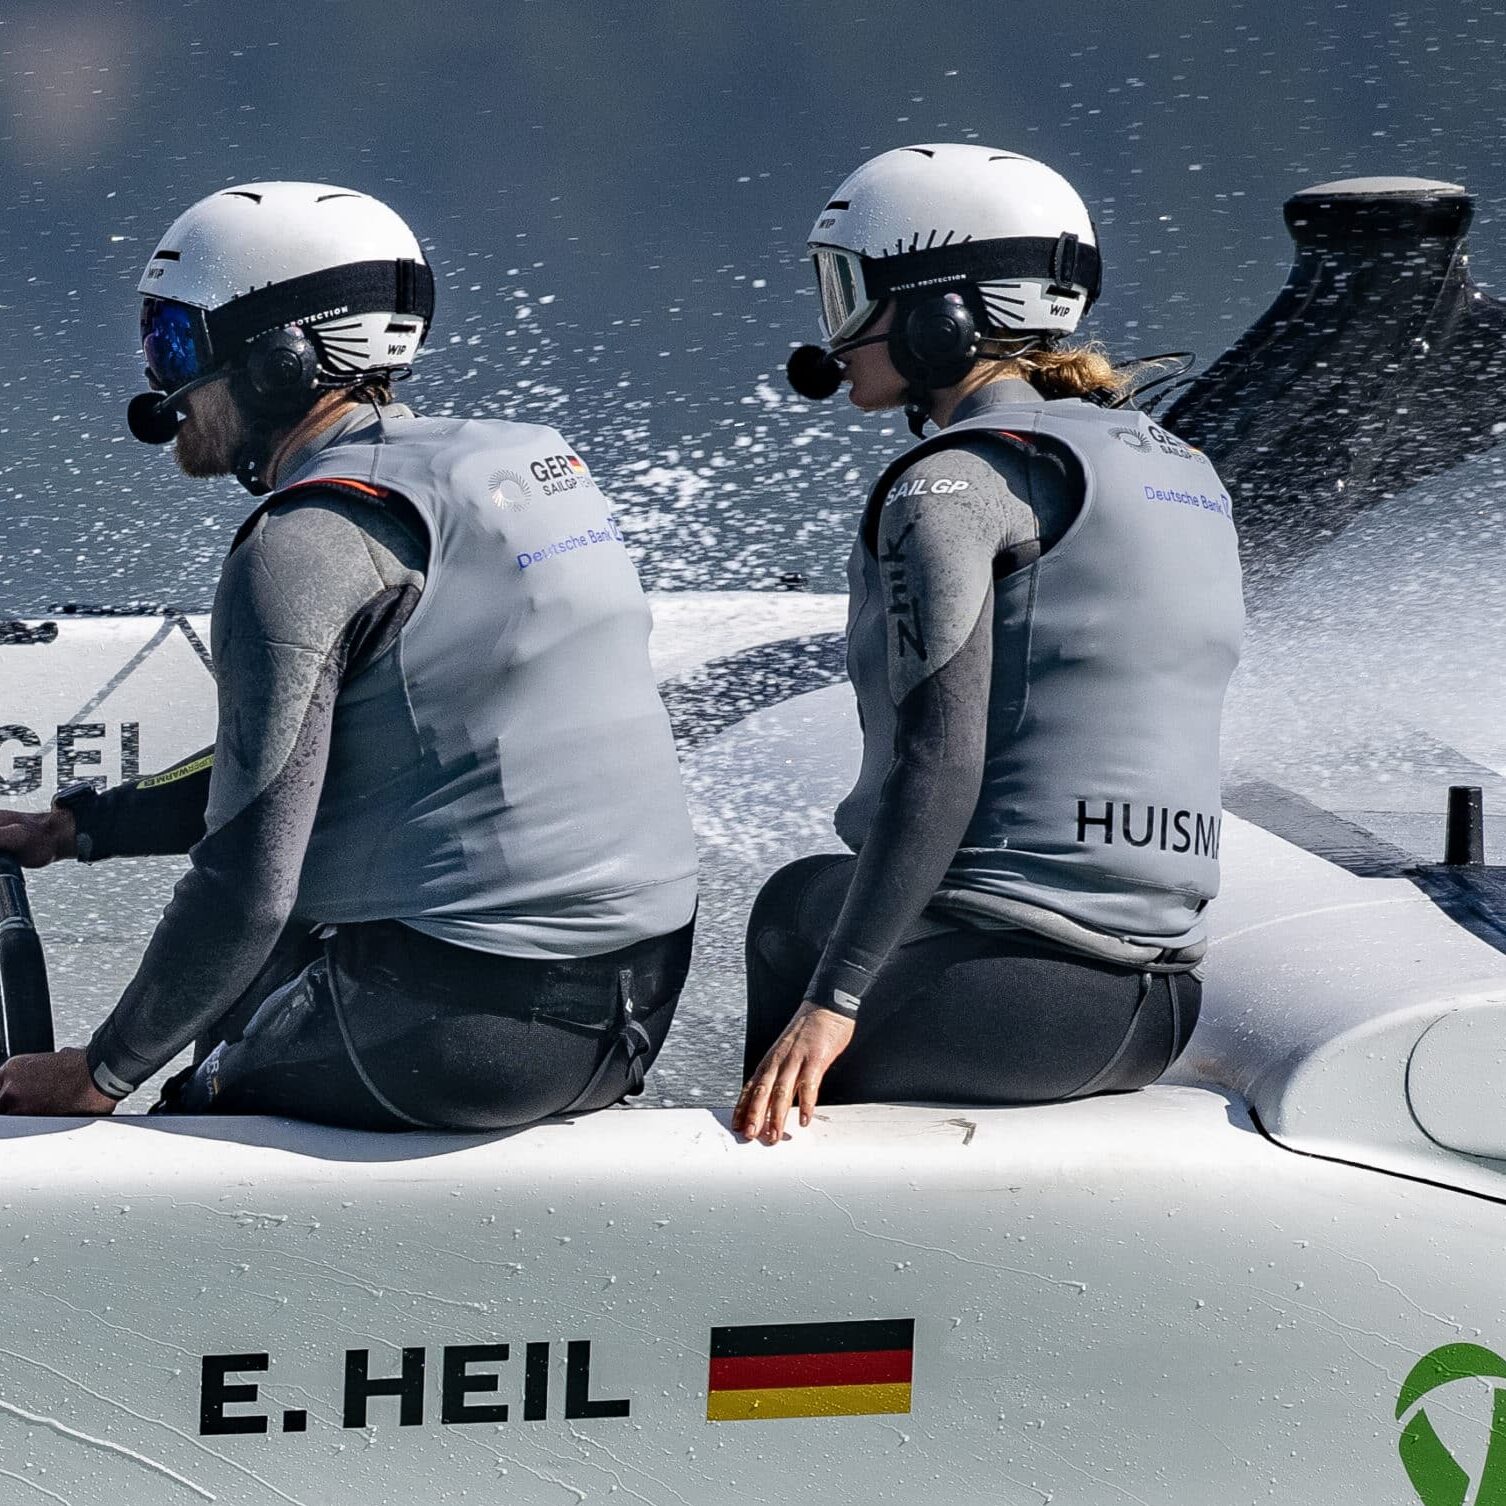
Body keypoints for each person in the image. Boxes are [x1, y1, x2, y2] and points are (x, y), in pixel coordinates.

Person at [0, 182, 698, 1130]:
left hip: (466, 1041)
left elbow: (245, 879)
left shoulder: (302, 541)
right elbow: (313, 768)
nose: (163, 387)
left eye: (174, 344)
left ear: (280, 360)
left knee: (234, 997)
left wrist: (99, 1072)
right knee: (277, 955)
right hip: (632, 1015)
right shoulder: (522, 463)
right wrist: (79, 827)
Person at [734, 145, 1244, 1144]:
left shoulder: (951, 486)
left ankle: (765, 1194)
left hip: (1012, 1014)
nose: (836, 338)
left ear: (939, 317)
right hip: (1163, 1012)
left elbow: (939, 762)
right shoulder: (1180, 464)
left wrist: (833, 1001)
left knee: (798, 905)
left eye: (851, 298)